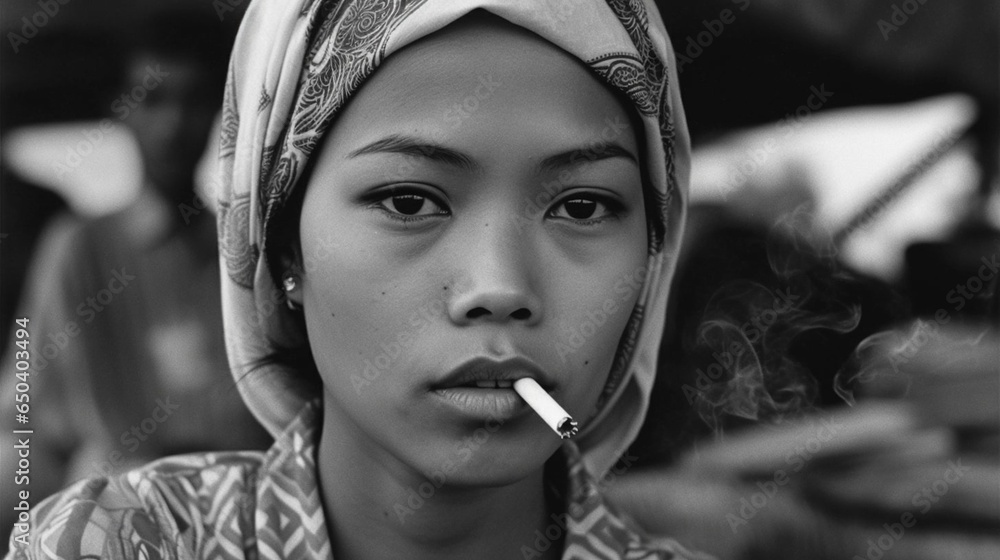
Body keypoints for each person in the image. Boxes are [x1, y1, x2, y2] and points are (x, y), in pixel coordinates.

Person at [6, 1, 703, 558]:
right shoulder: (113, 542)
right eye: (408, 201)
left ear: (651, 260)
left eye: (582, 205)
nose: (500, 286)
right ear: (284, 256)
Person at [0, 8, 270, 539]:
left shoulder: (243, 245)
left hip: (244, 518)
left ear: (219, 113)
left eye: (193, 101)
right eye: (153, 99)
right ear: (122, 110)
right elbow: (23, 418)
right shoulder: (77, 249)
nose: (174, 123)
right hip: (120, 520)